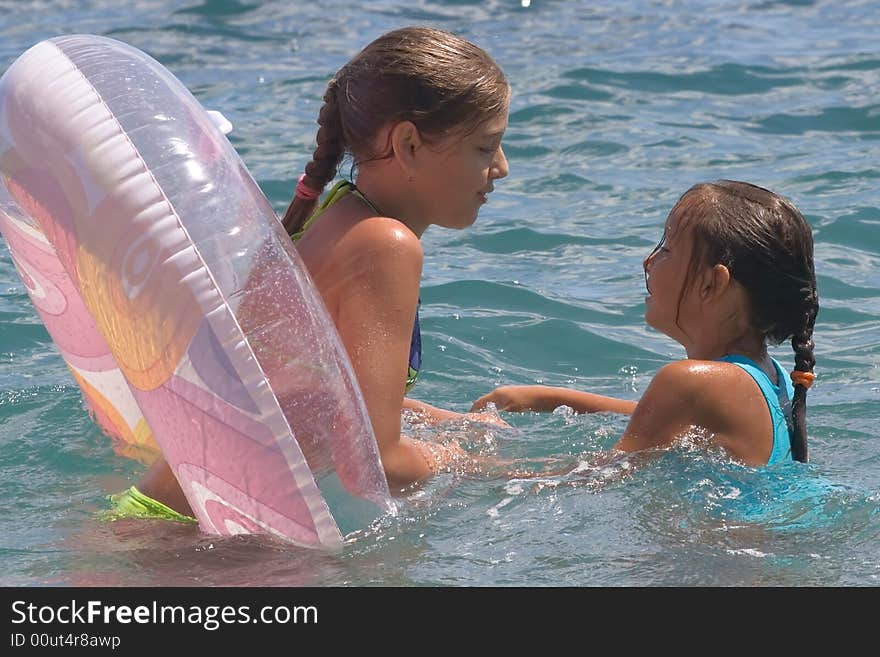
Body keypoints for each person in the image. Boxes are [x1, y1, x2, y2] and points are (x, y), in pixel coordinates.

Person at [113, 26, 511, 520]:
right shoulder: (386, 246)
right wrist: (486, 466)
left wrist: (435, 419)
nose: (502, 167)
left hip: (170, 515)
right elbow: (376, 466)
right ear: (407, 144)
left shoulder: (331, 215)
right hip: (194, 542)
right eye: (485, 147)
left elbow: (310, 398)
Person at [472, 181, 818, 467]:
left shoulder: (690, 383)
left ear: (712, 284)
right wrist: (548, 397)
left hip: (714, 550)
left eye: (666, 248)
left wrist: (463, 467)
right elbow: (650, 414)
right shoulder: (771, 379)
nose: (648, 260)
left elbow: (600, 475)